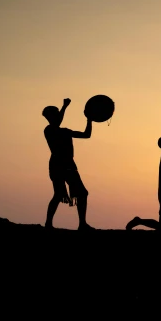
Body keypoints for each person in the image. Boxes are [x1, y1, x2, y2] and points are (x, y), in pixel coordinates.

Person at [42, 98, 94, 230]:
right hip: (59, 166)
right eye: (56, 113)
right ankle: (50, 223)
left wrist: (89, 119)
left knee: (80, 193)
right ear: (50, 117)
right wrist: (64, 107)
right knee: (60, 194)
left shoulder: (65, 131)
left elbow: (86, 135)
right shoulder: (48, 130)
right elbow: (57, 122)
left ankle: (81, 224)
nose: (59, 115)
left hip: (67, 166)